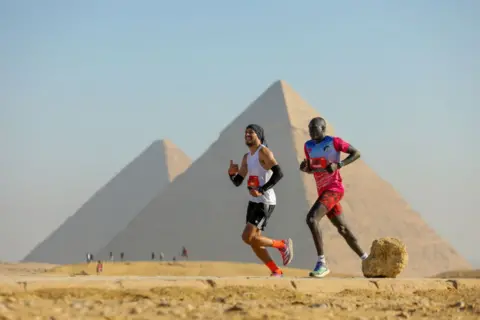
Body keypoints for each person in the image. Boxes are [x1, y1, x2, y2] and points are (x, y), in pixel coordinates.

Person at [300, 117, 369, 278]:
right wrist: (306, 168)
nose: (310, 131)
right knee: (343, 229)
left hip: (334, 189)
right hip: (323, 191)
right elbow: (313, 168)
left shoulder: (335, 142)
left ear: (323, 128)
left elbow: (356, 153)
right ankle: (366, 258)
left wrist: (339, 165)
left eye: (314, 128)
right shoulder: (308, 146)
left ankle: (321, 263)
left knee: (311, 219)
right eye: (309, 127)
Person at [228, 124, 293, 277]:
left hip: (265, 201)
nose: (247, 135)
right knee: (253, 240)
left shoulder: (263, 152)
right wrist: (231, 174)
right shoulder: (246, 157)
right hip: (253, 202)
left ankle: (282, 245)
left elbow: (279, 173)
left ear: (259, 135)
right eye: (246, 132)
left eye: (251, 132)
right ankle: (275, 270)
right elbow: (238, 181)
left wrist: (262, 189)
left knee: (247, 237)